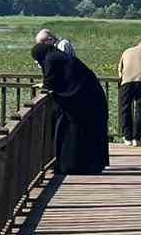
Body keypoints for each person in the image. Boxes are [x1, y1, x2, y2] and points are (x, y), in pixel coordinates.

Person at [32, 40, 110, 175]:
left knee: (74, 133)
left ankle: (71, 166)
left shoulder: (51, 59)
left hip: (84, 102)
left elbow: (51, 80)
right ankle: (89, 165)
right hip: (89, 99)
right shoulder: (58, 56)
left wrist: (45, 85)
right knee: (86, 133)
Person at [117, 37, 141, 147]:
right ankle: (137, 138)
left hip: (126, 82)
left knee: (125, 109)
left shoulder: (126, 51)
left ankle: (127, 138)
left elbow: (120, 69)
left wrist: (123, 77)